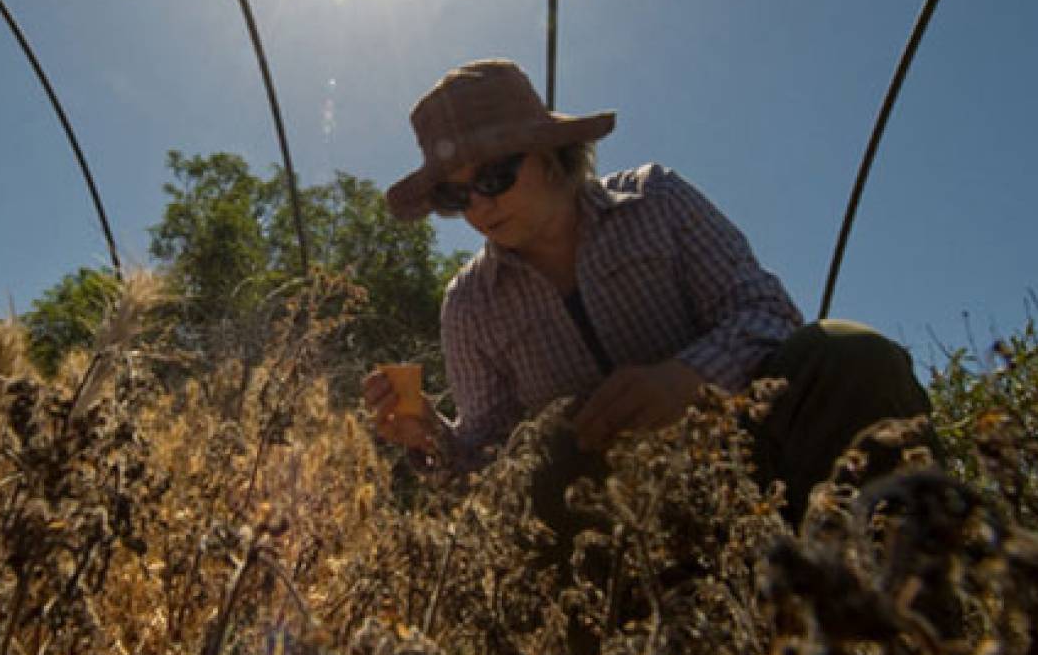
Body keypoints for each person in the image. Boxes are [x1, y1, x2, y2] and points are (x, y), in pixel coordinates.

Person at [363, 59, 932, 526]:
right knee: (548, 467)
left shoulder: (655, 201)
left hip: (754, 462)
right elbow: (488, 464)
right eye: (456, 196)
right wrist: (430, 439)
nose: (480, 206)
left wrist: (689, 378)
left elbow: (766, 312)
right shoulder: (469, 305)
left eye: (492, 178)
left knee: (848, 354)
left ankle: (910, 619)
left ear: (550, 153)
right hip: (608, 529)